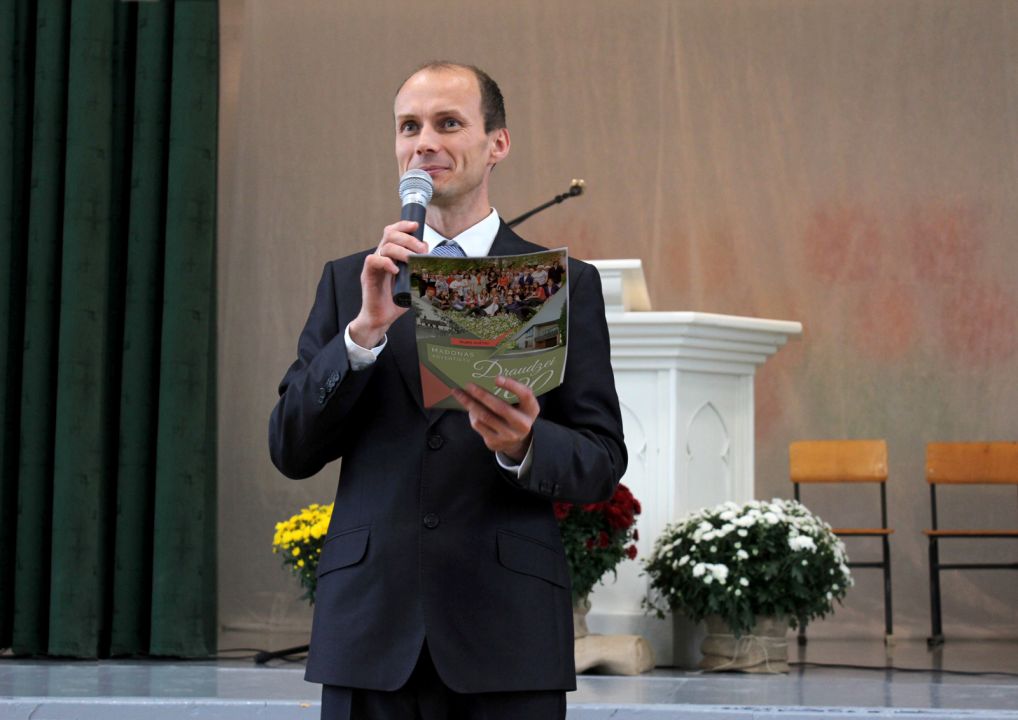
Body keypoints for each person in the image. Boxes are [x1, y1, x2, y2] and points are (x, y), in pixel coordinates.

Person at [268, 61, 627, 720]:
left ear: (497, 144)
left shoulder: (563, 284)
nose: (424, 142)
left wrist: (524, 445)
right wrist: (361, 338)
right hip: (371, 630)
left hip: (507, 632)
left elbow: (601, 461)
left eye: (448, 123)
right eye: (409, 126)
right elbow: (290, 449)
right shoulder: (351, 282)